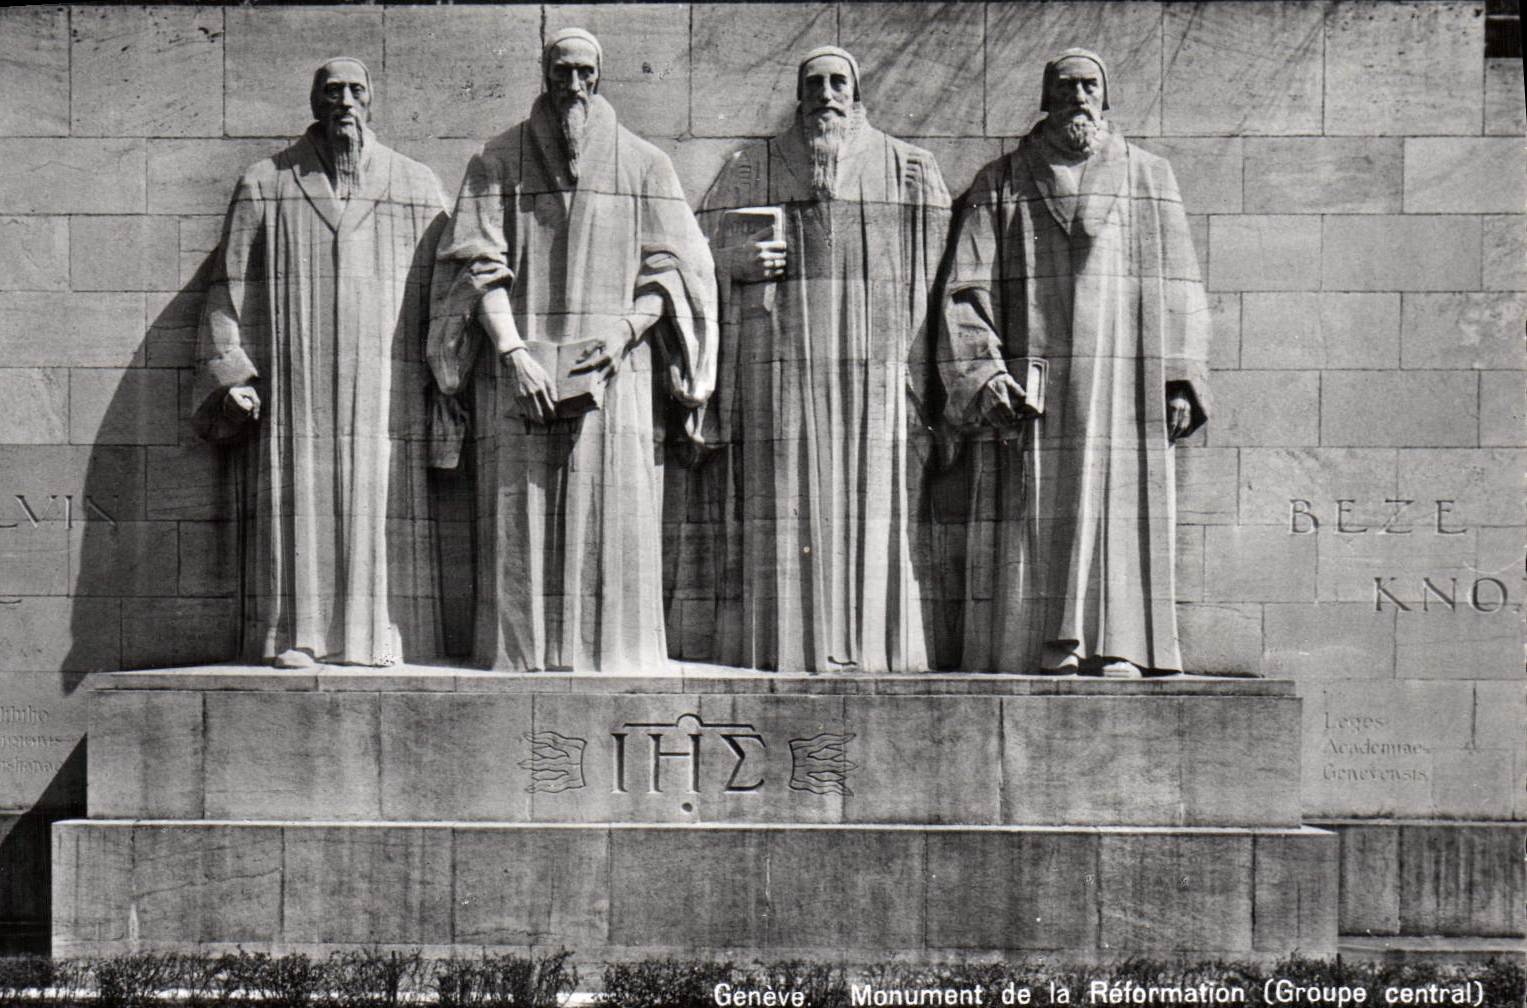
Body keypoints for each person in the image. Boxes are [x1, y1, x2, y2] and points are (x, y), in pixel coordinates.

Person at [427, 29, 716, 673]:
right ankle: (521, 660)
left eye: (586, 73)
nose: (574, 86)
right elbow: (474, 264)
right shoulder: (497, 161)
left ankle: (616, 657)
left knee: (611, 522)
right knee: (519, 521)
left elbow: (678, 270)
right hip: (518, 374)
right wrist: (511, 352)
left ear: (601, 77)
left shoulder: (644, 164)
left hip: (617, 376)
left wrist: (622, 334)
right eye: (562, 73)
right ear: (545, 75)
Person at [938, 48, 1210, 678]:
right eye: (1065, 87)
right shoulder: (1000, 181)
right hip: (1034, 387)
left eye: (1090, 86)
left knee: (1119, 502)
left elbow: (1181, 287)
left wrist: (1180, 381)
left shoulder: (1148, 176)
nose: (1078, 97)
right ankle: (1042, 647)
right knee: (1037, 507)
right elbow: (964, 289)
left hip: (1124, 380)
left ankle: (1123, 645)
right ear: (1047, 97)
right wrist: (983, 372)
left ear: (1105, 98)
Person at [682, 46, 950, 673]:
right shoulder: (750, 170)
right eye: (814, 84)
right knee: (782, 503)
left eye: (838, 83)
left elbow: (941, 289)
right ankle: (780, 648)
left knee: (872, 503)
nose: (826, 94)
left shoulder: (908, 170)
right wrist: (729, 266)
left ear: (855, 97)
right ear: (799, 97)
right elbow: (691, 263)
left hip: (875, 373)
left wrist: (927, 390)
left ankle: (869, 648)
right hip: (778, 371)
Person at [193, 58, 450, 668]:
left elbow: (451, 288)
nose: (345, 102)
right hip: (297, 380)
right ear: (315, 102)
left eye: (356, 90)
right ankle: (298, 637)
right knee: (301, 497)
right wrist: (231, 371)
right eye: (331, 91)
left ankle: (382, 633)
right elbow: (227, 288)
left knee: (380, 495)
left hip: (389, 385)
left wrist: (449, 374)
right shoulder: (267, 181)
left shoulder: (416, 185)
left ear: (372, 102)